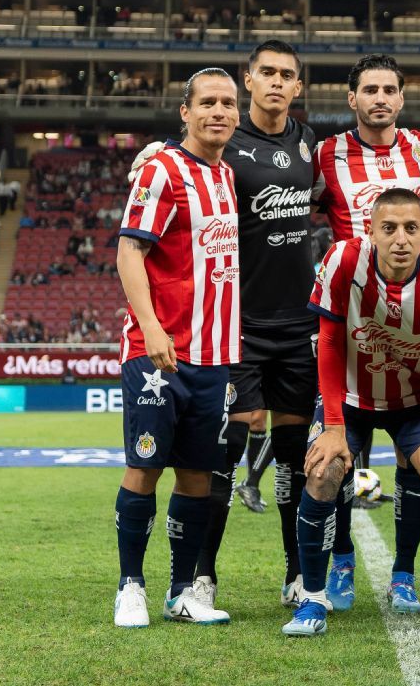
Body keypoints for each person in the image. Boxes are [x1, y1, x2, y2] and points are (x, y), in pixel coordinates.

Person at [282, 188, 420, 638]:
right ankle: (312, 598)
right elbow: (328, 344)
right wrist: (332, 427)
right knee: (323, 470)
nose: (400, 239)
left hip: (414, 400)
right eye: (388, 228)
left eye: (411, 228)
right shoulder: (342, 261)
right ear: (370, 230)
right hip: (348, 398)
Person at [310, 55, 420, 606]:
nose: (380, 97)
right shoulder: (325, 155)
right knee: (336, 462)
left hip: (415, 322)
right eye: (369, 89)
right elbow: (277, 187)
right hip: (352, 316)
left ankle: (410, 571)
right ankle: (342, 562)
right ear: (351, 99)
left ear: (402, 98)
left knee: (413, 461)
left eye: (390, 89)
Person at [190, 40, 321, 612]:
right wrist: (153, 153)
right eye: (265, 72)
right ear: (248, 80)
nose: (275, 81)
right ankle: (202, 576)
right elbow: (182, 160)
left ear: (297, 87)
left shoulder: (310, 143)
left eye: (285, 75)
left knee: (294, 455)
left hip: (298, 324)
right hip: (238, 325)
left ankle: (296, 574)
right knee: (229, 443)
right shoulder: (226, 143)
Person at [111, 67, 241, 628]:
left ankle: (182, 592)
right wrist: (153, 327)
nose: (219, 111)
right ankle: (130, 587)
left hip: (215, 356)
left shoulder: (228, 176)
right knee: (144, 468)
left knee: (196, 476)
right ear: (184, 112)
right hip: (159, 353)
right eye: (207, 102)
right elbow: (128, 251)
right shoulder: (162, 169)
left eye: (227, 104)